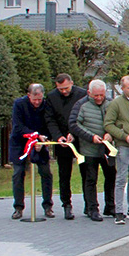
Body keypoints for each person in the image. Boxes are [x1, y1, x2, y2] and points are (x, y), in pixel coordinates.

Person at [70, 79, 116, 222]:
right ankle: (92, 208)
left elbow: (118, 121)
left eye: (101, 95)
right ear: (89, 93)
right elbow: (74, 124)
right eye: (96, 95)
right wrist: (91, 137)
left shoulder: (111, 103)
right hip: (89, 149)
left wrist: (111, 133)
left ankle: (110, 206)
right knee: (90, 179)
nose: (99, 98)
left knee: (111, 176)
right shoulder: (80, 105)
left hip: (107, 148)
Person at [44, 73, 87, 220]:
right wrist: (58, 136)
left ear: (72, 83)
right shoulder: (51, 97)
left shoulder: (82, 94)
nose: (63, 91)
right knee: (64, 175)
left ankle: (89, 205)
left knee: (86, 173)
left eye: (66, 88)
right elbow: (50, 119)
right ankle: (66, 205)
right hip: (62, 140)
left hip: (80, 139)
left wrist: (74, 132)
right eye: (60, 89)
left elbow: (84, 117)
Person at [104, 75, 129, 225]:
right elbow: (108, 124)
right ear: (122, 89)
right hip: (123, 145)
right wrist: (123, 136)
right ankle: (119, 210)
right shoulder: (116, 104)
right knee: (121, 178)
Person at [9, 84, 54, 220]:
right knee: (18, 173)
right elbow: (18, 126)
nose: (37, 102)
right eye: (34, 99)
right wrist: (34, 136)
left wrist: (43, 139)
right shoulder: (19, 104)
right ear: (29, 95)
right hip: (20, 142)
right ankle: (18, 207)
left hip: (39, 142)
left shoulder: (46, 105)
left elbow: (49, 123)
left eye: (39, 99)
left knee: (46, 172)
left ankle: (48, 206)